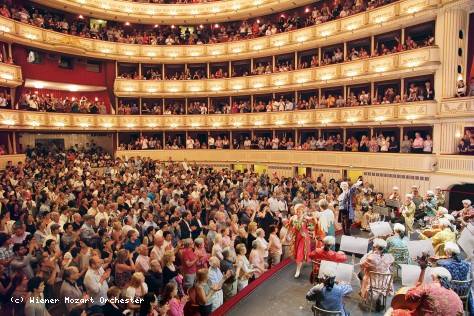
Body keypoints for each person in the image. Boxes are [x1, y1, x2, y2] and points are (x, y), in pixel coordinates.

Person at [389, 267, 463, 316]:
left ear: (433, 276)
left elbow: (409, 297)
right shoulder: (454, 293)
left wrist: (413, 288)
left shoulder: (428, 287)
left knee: (395, 312)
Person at [436, 242, 473, 315]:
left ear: (448, 252)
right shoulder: (466, 264)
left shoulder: (443, 264)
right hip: (464, 291)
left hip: (452, 291)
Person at [289, 204, 312, 278]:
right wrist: (286, 236)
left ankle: (297, 270)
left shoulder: (305, 217)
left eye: (300, 211)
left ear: (302, 211)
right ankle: (300, 264)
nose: (298, 212)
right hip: (297, 238)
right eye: (297, 211)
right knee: (298, 253)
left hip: (304, 238)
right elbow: (290, 227)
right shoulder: (293, 218)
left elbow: (311, 223)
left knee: (300, 253)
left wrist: (314, 218)